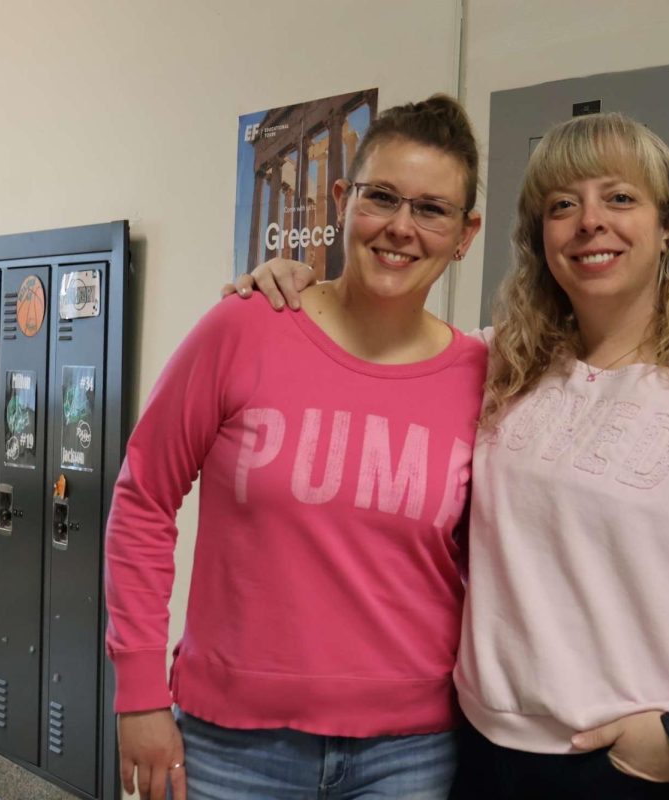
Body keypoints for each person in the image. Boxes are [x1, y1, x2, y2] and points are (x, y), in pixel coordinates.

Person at [234, 111, 669, 799]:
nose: (591, 221)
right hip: (486, 760)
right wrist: (295, 290)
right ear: (540, 237)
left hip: (659, 767)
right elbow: (372, 355)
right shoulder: (498, 364)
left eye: (620, 198)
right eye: (563, 205)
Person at [105, 94, 486, 800]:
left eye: (431, 210)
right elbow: (143, 499)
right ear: (342, 200)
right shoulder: (246, 327)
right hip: (231, 746)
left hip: (410, 755)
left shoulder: (482, 378)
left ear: (465, 235)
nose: (401, 228)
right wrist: (139, 693)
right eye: (382, 197)